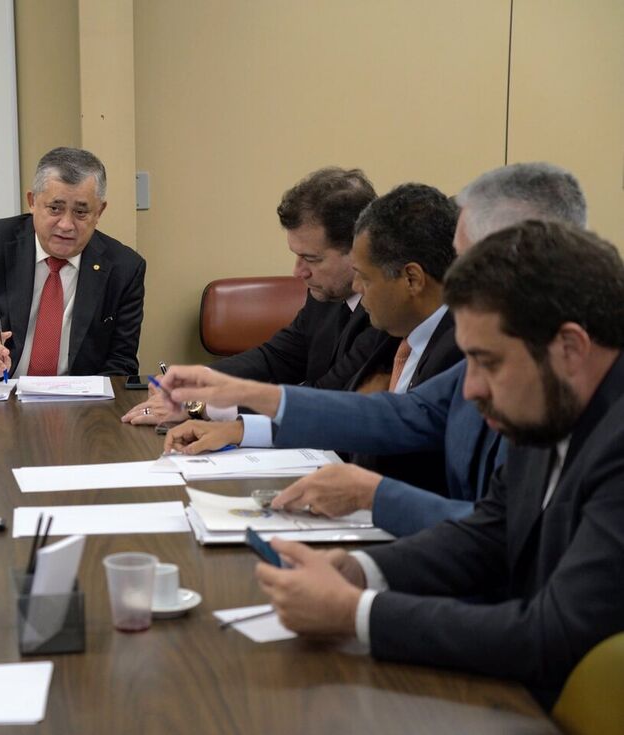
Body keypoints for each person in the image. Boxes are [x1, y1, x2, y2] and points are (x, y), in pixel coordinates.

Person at [167, 220, 624, 708]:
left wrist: (358, 613)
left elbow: (551, 636)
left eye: (488, 362)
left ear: (571, 348)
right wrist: (359, 570)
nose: (469, 391)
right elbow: (489, 534)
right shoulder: (550, 397)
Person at [163, 162, 586, 536]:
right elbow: (406, 413)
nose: (456, 273)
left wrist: (371, 521)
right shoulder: (480, 343)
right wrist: (247, 396)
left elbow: (507, 535)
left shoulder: (500, 353)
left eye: (469, 259)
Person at [122, 166, 386, 427]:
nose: (298, 272)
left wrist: (201, 406)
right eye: (296, 255)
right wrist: (200, 379)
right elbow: (279, 357)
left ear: (358, 249)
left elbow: (326, 396)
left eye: (311, 259)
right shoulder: (325, 293)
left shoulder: (386, 312)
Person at [0, 146, 146, 385]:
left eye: (80, 212)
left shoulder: (124, 268)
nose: (66, 225)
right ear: (32, 201)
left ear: (100, 211)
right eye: (55, 208)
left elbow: (121, 362)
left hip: (78, 407)